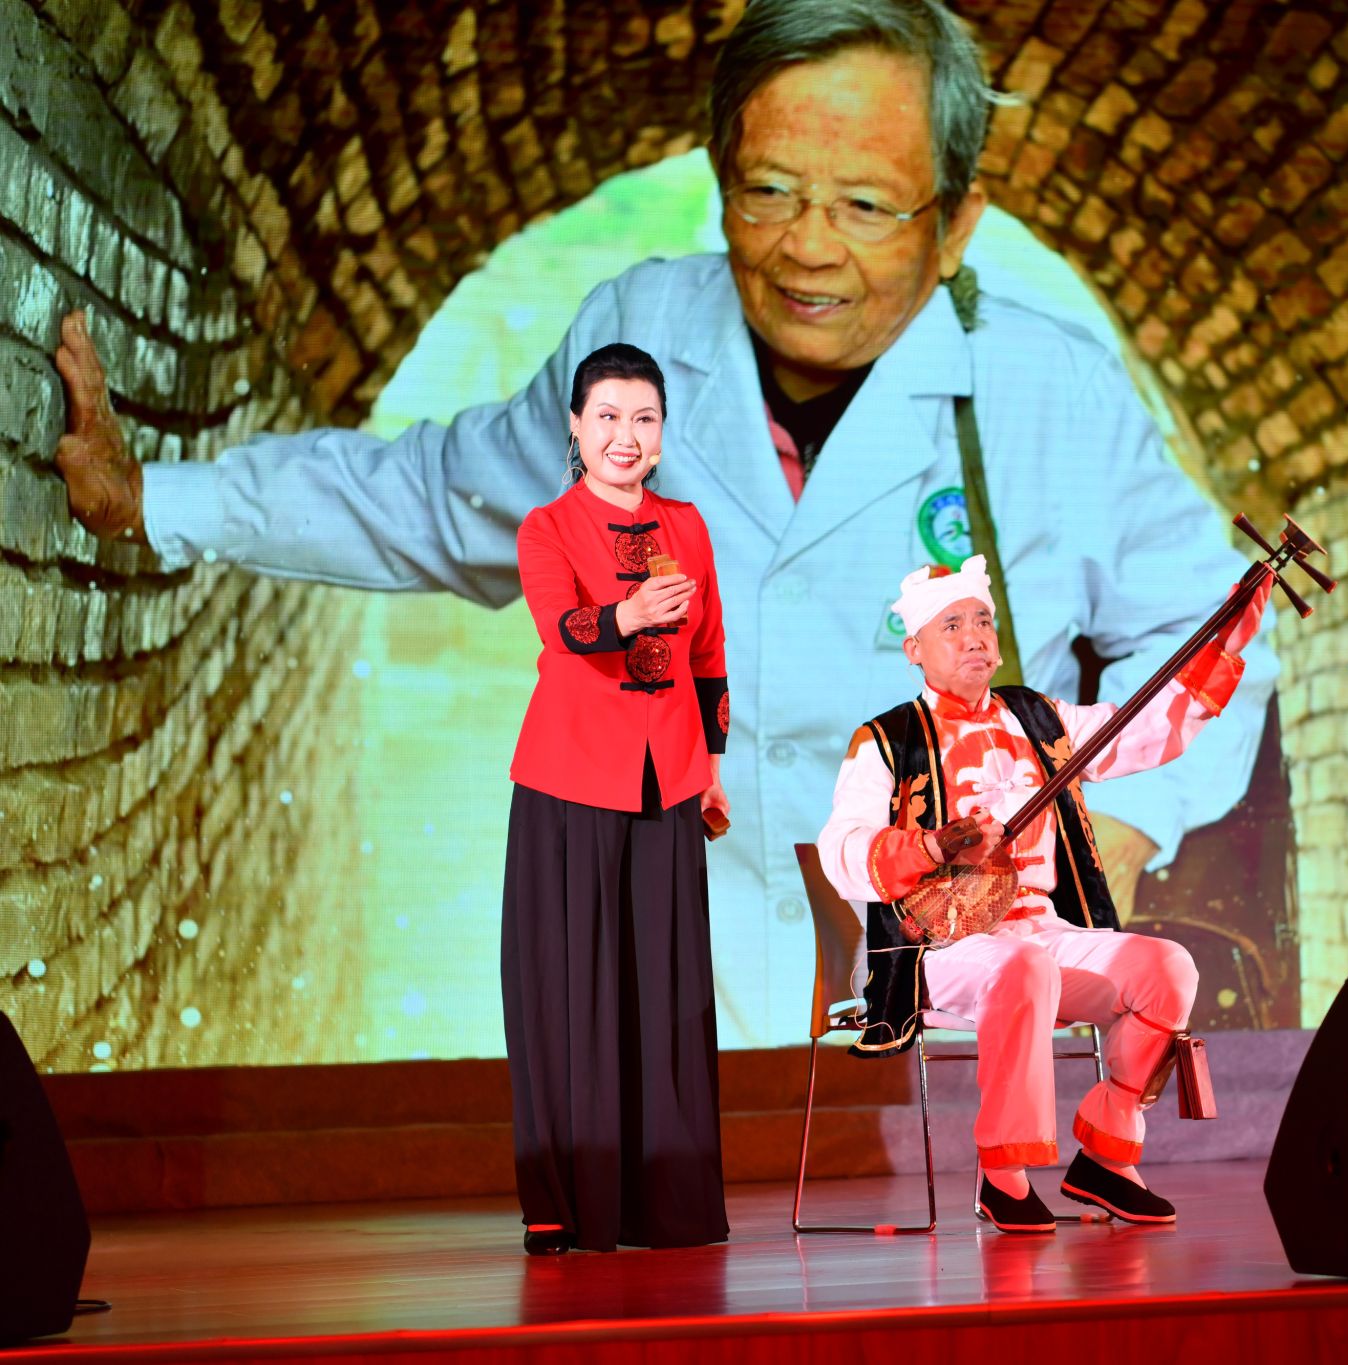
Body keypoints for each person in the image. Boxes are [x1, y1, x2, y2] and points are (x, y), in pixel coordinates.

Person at [49, 0, 1276, 1050]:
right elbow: (434, 498)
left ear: (953, 224)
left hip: (966, 1006)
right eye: (769, 191)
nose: (807, 247)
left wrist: (1123, 826)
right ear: (719, 177)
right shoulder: (640, 339)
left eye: (863, 205)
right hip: (686, 994)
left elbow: (1212, 634)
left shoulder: (1045, 391)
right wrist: (159, 501)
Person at [814, 555, 1268, 1231]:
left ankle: (1107, 1154)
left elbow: (1143, 731)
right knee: (1023, 966)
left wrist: (1223, 644)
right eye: (951, 626)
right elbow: (841, 848)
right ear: (914, 650)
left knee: (1165, 967)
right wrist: (933, 846)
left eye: (982, 621)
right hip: (942, 948)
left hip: (1041, 932)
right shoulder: (886, 739)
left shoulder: (1038, 718)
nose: (973, 636)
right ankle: (1004, 1175)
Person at [502, 342, 730, 1254]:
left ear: (663, 431)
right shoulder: (547, 527)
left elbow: (709, 656)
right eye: (607, 417)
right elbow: (561, 628)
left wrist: (712, 765)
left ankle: (662, 1199)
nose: (625, 436)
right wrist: (626, 616)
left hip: (668, 780)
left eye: (643, 419)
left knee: (664, 992)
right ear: (576, 425)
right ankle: (565, 1199)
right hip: (568, 783)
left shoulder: (689, 525)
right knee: (568, 988)